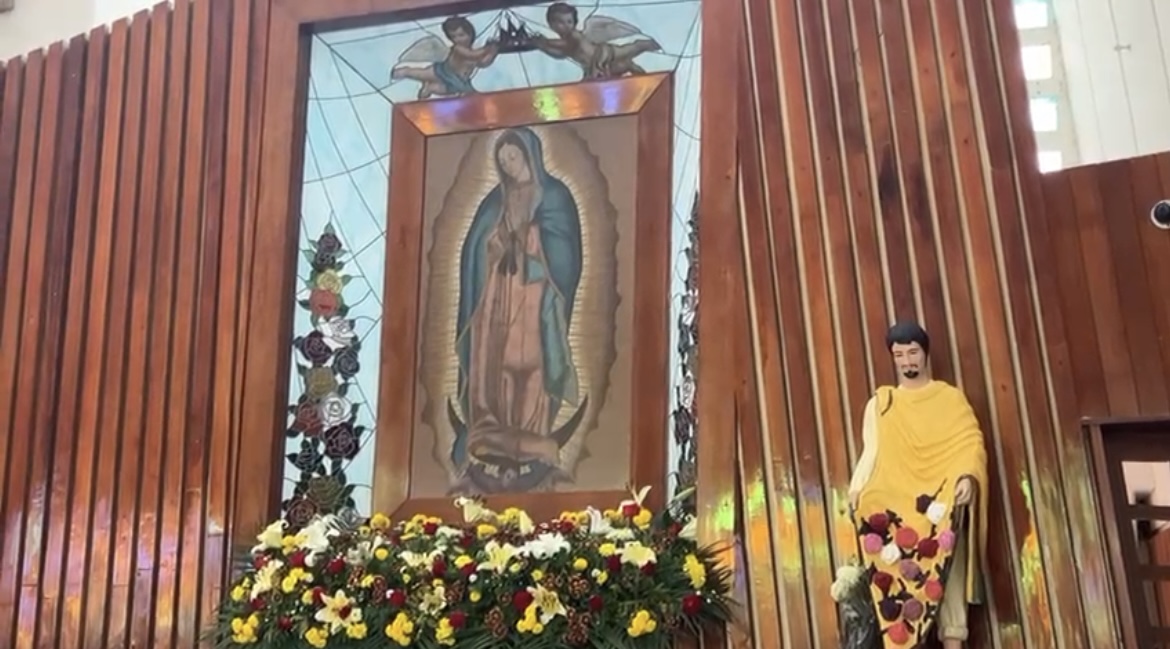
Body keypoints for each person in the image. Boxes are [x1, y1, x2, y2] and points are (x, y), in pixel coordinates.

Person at [451, 127, 583, 489]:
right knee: (495, 360)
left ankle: (530, 432)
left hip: (535, 292)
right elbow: (474, 250)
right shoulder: (495, 201)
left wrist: (530, 239)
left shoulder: (554, 195)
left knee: (532, 358)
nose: (509, 165)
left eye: (513, 156)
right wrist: (495, 243)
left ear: (529, 154)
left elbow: (566, 249)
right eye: (503, 160)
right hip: (497, 294)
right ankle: (493, 428)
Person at [848, 322, 988, 649]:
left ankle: (954, 642)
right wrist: (857, 488)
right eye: (900, 355)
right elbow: (872, 452)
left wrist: (967, 476)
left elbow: (970, 442)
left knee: (947, 575)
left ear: (925, 353)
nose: (907, 361)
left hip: (941, 503)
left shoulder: (949, 399)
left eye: (913, 352)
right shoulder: (883, 403)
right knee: (898, 584)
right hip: (899, 506)